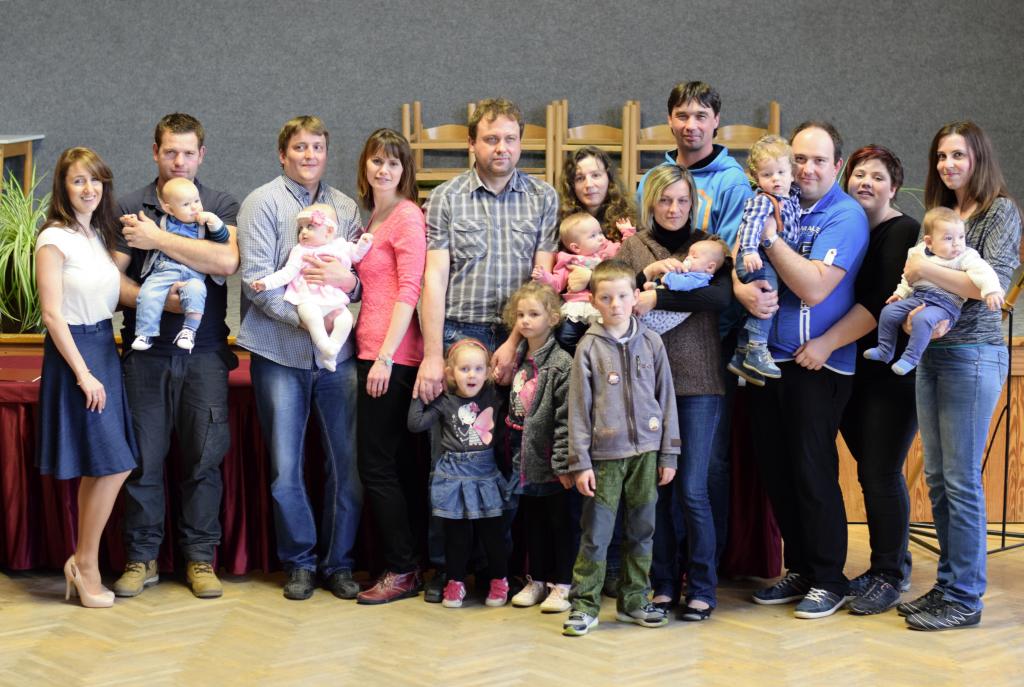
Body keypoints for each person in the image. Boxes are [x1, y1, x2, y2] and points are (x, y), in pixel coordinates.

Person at [413, 97, 559, 602]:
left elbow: (541, 284)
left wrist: (516, 342)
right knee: (450, 456)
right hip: (459, 336)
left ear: (521, 144)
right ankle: (446, 568)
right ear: (472, 144)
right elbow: (434, 279)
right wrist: (435, 354)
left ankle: (501, 567)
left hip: (520, 337)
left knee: (512, 456)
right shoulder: (446, 198)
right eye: (491, 139)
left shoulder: (542, 197)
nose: (502, 148)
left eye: (511, 139)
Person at [898, 121, 1020, 630]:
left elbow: (987, 285)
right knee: (938, 478)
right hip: (933, 354)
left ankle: (966, 597)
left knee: (962, 479)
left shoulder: (1000, 212)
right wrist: (910, 310)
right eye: (941, 156)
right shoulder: (942, 215)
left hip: (974, 354)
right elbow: (911, 285)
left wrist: (924, 270)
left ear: (978, 159)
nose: (948, 164)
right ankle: (947, 586)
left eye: (958, 155)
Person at [237, 115, 363, 601]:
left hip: (338, 358)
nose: (309, 155)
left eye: (317, 147)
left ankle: (339, 563)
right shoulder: (262, 203)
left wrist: (349, 287)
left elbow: (359, 280)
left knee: (344, 466)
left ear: (326, 153)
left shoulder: (345, 208)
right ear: (282, 154)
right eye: (299, 147)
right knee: (286, 468)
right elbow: (257, 282)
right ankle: (300, 563)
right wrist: (312, 321)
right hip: (280, 354)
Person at [114, 113, 239, 600]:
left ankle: (200, 559)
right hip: (145, 356)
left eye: (188, 153)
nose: (179, 161)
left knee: (203, 461)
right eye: (171, 152)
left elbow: (225, 261)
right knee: (143, 462)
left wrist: (158, 240)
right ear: (155, 152)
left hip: (204, 354)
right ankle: (141, 557)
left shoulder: (218, 205)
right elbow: (112, 281)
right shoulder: (130, 205)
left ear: (201, 155)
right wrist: (156, 301)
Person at [635, 81, 758, 569]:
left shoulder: (731, 182)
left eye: (701, 116)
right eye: (682, 115)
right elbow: (637, 257)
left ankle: (707, 568)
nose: (691, 125)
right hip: (652, 352)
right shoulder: (653, 178)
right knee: (660, 465)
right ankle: (664, 569)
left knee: (705, 467)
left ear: (716, 122)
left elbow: (716, 268)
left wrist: (657, 295)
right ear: (669, 120)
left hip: (713, 336)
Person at [747, 122, 868, 619]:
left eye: (819, 160)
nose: (807, 169)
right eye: (799, 159)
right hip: (767, 360)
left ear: (837, 165)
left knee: (812, 470)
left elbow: (814, 287)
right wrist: (743, 287)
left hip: (819, 364)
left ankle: (830, 578)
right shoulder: (779, 201)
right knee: (778, 471)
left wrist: (770, 239)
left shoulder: (845, 214)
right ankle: (800, 568)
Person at [801, 145, 920, 616]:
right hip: (852, 370)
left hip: (890, 373)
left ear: (894, 187)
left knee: (880, 472)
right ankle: (886, 564)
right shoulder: (849, 228)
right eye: (859, 174)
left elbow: (878, 303)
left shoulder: (903, 230)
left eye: (878, 176)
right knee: (869, 469)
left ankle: (890, 573)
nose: (866, 182)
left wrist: (825, 343)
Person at [619, 164, 733, 620]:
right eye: (666, 200)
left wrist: (658, 297)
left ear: (694, 203)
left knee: (692, 489)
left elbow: (718, 299)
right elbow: (615, 295)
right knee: (657, 490)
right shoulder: (634, 247)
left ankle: (702, 585)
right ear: (652, 202)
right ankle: (663, 583)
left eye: (682, 200)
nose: (674, 208)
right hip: (645, 384)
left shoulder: (709, 246)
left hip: (699, 382)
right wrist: (646, 274)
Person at [35, 147, 137, 608]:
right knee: (114, 464)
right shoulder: (54, 238)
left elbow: (114, 292)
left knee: (106, 464)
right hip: (75, 354)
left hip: (102, 348)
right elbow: (52, 314)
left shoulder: (95, 233)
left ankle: (83, 561)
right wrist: (83, 374)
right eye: (78, 180)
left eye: (95, 180)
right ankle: (85, 564)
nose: (89, 188)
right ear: (63, 186)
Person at [561, 259, 680, 637]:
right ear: (594, 301)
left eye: (623, 296)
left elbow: (667, 399)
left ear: (635, 296)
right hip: (603, 457)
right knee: (596, 533)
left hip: (647, 453)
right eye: (607, 298)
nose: (616, 305)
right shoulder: (588, 347)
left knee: (642, 530)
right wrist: (580, 462)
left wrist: (669, 453)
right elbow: (578, 408)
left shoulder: (652, 342)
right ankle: (584, 605)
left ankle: (634, 600)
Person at [349, 128, 428, 605]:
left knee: (376, 466)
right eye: (377, 161)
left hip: (393, 358)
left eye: (393, 163)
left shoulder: (406, 216)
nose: (384, 169)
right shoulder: (375, 217)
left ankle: (403, 569)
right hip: (371, 351)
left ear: (405, 171)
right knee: (390, 465)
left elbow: (409, 290)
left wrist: (384, 356)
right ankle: (404, 562)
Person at [407, 339, 509, 609]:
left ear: (487, 372)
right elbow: (415, 424)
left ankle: (499, 580)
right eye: (464, 369)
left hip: (486, 476)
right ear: (450, 373)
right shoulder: (445, 402)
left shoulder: (493, 396)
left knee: (492, 534)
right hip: (453, 477)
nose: (472, 375)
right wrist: (420, 391)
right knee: (456, 535)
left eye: (478, 369)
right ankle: (455, 581)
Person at [499, 282, 574, 614]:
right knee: (533, 522)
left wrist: (562, 463)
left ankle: (563, 584)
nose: (525, 321)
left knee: (560, 523)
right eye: (520, 315)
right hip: (523, 459)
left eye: (534, 314)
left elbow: (565, 419)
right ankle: (538, 579)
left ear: (553, 318)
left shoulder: (560, 363)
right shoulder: (519, 359)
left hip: (551, 461)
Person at [864, 207, 1003, 375]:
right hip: (918, 297)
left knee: (923, 318)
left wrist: (991, 291)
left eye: (961, 237)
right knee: (888, 312)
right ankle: (885, 350)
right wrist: (900, 293)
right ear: (929, 242)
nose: (957, 243)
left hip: (946, 305)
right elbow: (907, 276)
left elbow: (984, 272)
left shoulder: (966, 256)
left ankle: (910, 358)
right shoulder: (917, 252)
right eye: (948, 238)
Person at [250, 204, 373, 372]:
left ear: (329, 231)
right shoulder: (300, 250)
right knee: (311, 315)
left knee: (345, 319)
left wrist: (364, 243)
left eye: (310, 227)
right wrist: (265, 283)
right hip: (308, 297)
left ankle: (332, 351)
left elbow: (357, 255)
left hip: (333, 298)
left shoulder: (340, 246)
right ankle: (324, 345)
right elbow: (287, 273)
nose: (303, 232)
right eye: (301, 228)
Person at [728, 135, 803, 381]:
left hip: (770, 259)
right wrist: (750, 250)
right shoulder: (763, 200)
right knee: (767, 299)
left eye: (781, 172)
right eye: (767, 174)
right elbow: (751, 225)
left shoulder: (791, 197)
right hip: (756, 258)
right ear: (756, 177)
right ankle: (757, 349)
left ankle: (741, 353)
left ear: (792, 173)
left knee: (761, 302)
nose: (775, 179)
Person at [129, 177, 230, 352]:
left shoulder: (204, 224)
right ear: (169, 209)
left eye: (197, 201)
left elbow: (223, 238)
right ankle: (146, 333)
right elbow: (145, 233)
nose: (194, 207)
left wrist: (213, 220)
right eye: (186, 204)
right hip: (164, 271)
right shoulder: (162, 222)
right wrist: (132, 221)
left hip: (193, 273)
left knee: (197, 290)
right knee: (149, 292)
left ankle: (189, 331)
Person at [532, 212, 633, 353]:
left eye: (600, 233)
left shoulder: (608, 252)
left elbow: (628, 251)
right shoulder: (568, 261)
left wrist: (627, 232)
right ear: (576, 247)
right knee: (564, 336)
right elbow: (557, 284)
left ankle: (600, 356)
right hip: (576, 306)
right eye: (593, 236)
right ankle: (580, 357)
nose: (601, 238)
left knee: (609, 336)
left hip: (601, 305)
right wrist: (544, 276)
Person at [639, 237, 728, 335]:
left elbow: (678, 284)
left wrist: (669, 276)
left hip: (664, 316)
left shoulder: (699, 279)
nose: (688, 258)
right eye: (688, 255)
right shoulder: (691, 274)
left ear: (710, 267)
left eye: (694, 257)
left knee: (641, 319)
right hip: (658, 306)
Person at [558, 146, 636, 241]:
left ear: (609, 179)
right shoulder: (560, 221)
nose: (589, 184)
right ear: (571, 185)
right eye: (580, 178)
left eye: (595, 175)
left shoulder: (628, 221)